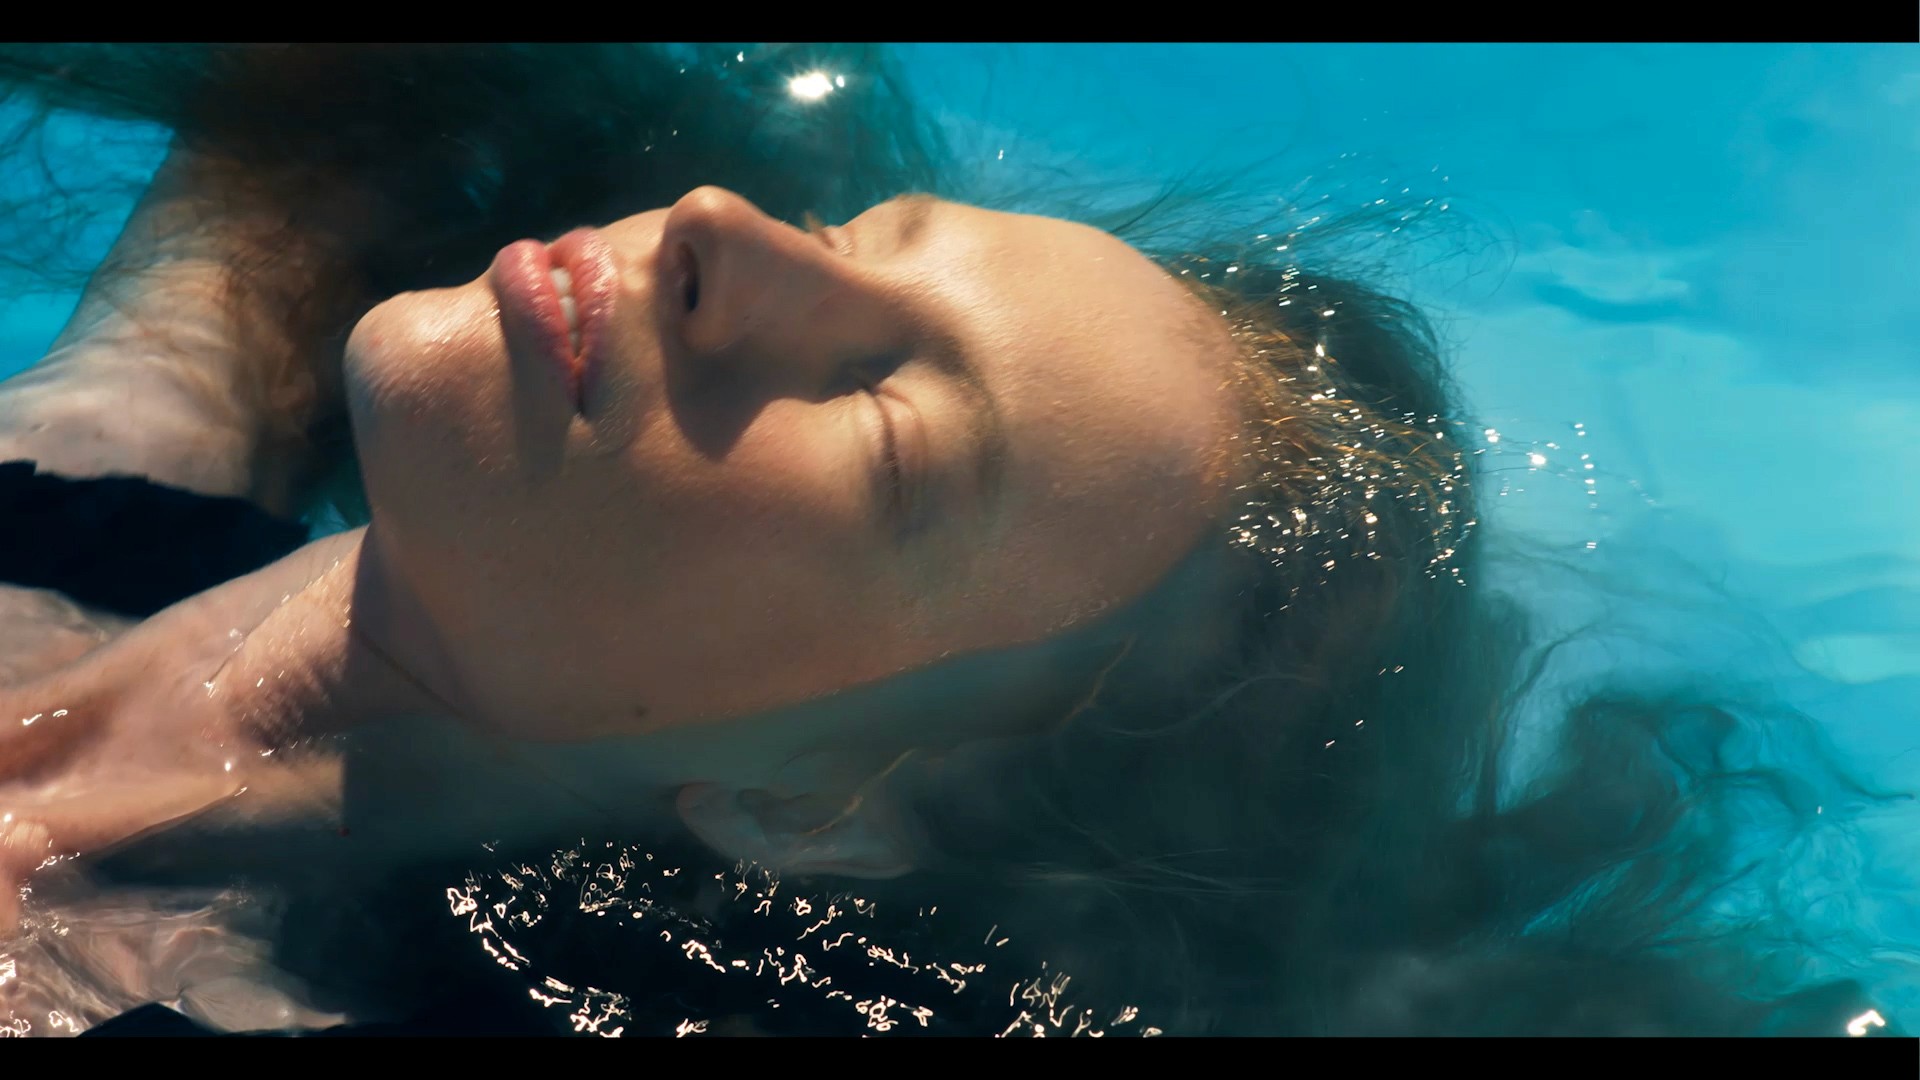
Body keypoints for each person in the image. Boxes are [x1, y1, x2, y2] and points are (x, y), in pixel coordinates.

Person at [0, 44, 1892, 1036]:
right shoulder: (113, 456)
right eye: (862, 239)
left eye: (893, 442)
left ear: (810, 809)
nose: (722, 230)